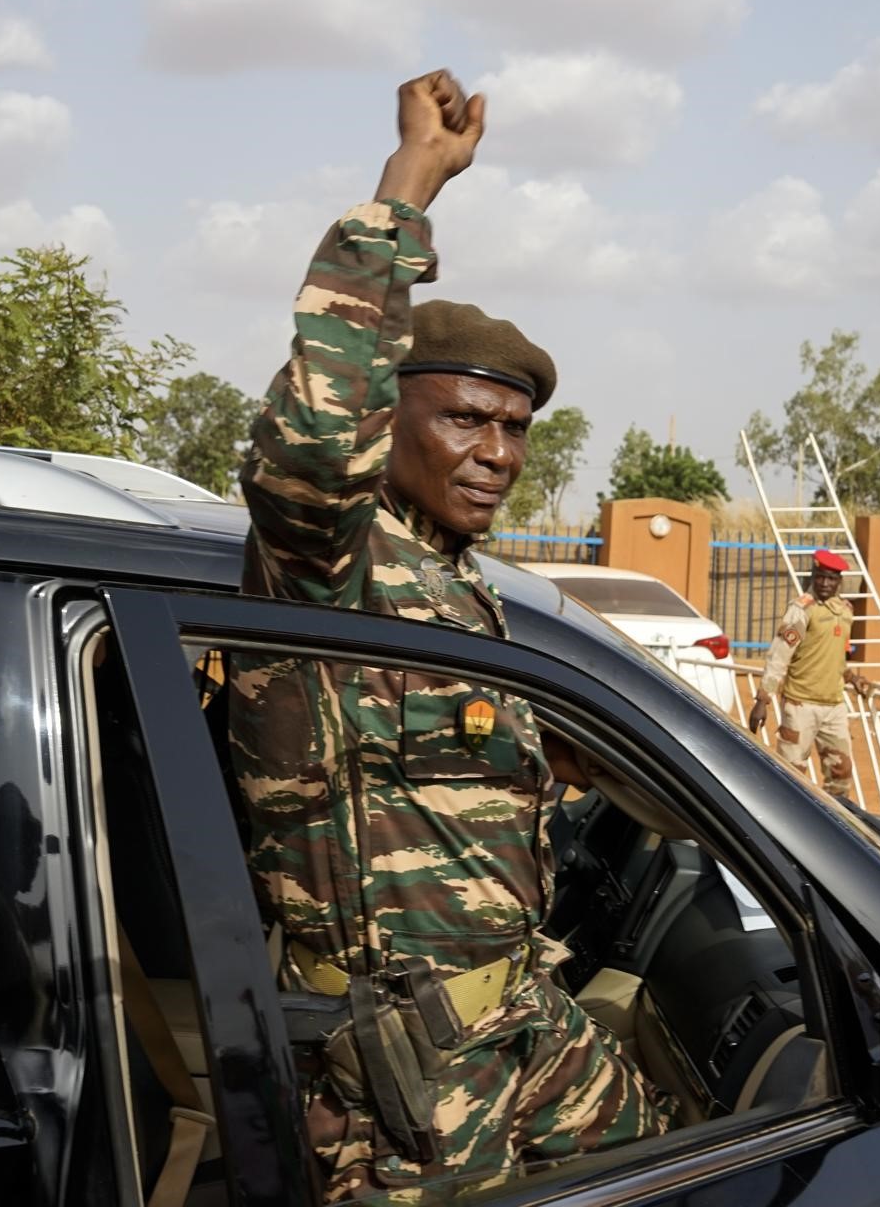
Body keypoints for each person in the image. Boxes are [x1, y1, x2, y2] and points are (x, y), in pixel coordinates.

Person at [230, 70, 668, 1203]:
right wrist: (410, 184)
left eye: (515, 427)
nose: (498, 451)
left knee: (682, 1158)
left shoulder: (451, 581)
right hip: (408, 1071)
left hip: (518, 1016)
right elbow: (318, 435)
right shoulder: (332, 560)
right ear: (391, 422)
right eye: (466, 418)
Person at [747, 548, 868, 799]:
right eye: (820, 576)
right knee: (791, 777)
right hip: (800, 706)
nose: (825, 583)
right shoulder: (801, 610)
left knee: (841, 775)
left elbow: (834, 657)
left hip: (834, 707)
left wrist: (852, 677)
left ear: (839, 581)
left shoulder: (845, 610)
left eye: (831, 578)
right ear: (813, 575)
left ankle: (834, 829)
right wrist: (762, 700)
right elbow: (779, 656)